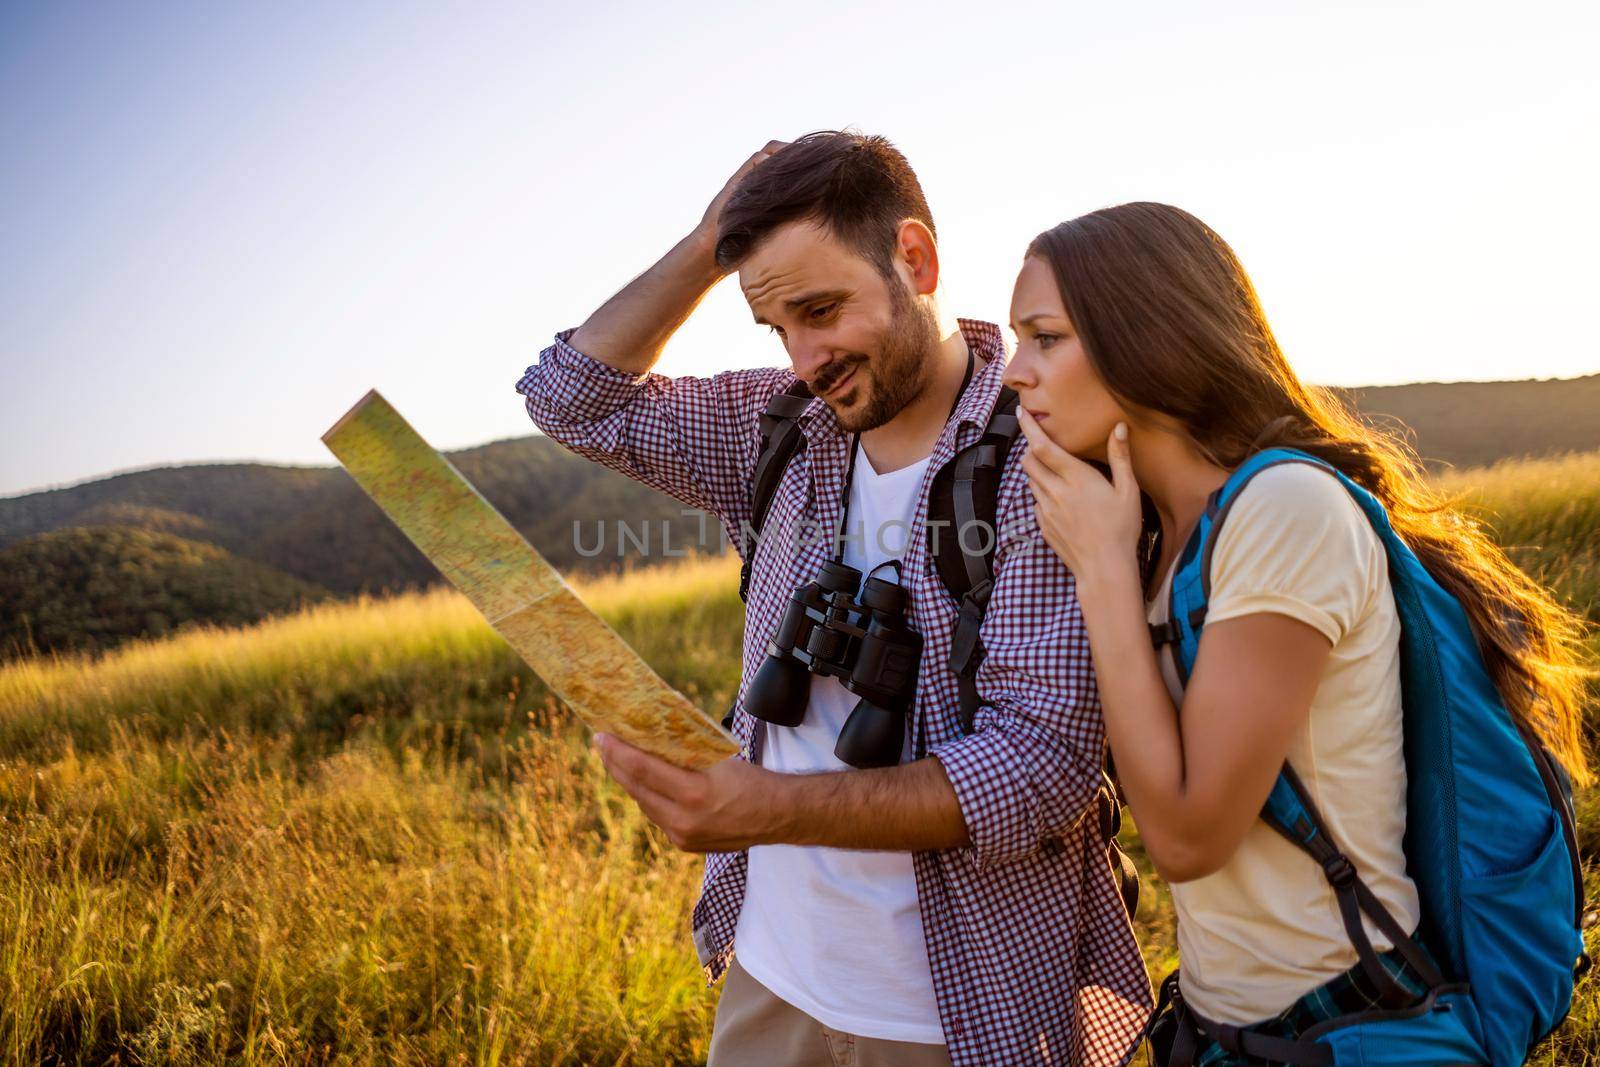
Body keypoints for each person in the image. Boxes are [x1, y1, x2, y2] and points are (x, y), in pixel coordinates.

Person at [514, 132, 1151, 1066]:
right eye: (779, 329)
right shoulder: (778, 427)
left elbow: (1040, 768)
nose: (807, 356)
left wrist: (767, 806)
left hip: (959, 1014)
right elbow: (572, 400)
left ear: (916, 258)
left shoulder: (1043, 457)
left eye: (821, 309)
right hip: (769, 977)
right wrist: (707, 244)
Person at [1002, 201, 1592, 1064]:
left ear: (1147, 334)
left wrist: (1098, 570)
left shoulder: (1284, 510)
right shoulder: (1159, 538)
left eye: (1045, 337)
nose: (1017, 372)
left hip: (1353, 1029)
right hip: (1225, 1035)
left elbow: (1188, 837)